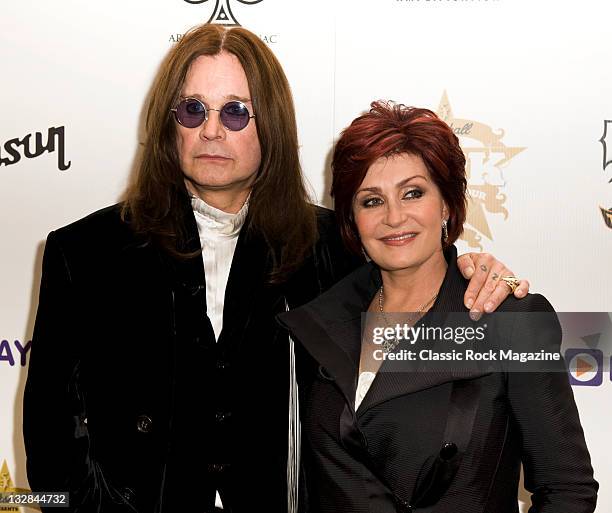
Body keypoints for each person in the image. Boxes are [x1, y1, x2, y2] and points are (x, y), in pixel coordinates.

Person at [23, 24, 529, 513]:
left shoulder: (337, 247)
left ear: (273, 125)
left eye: (237, 112)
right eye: (193, 110)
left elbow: (415, 278)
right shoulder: (84, 252)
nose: (212, 130)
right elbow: (48, 436)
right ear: (167, 124)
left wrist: (475, 269)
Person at [279, 102, 598, 513]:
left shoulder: (510, 321)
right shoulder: (322, 318)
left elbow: (567, 490)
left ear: (446, 204)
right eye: (371, 201)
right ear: (351, 218)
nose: (394, 217)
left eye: (413, 193)